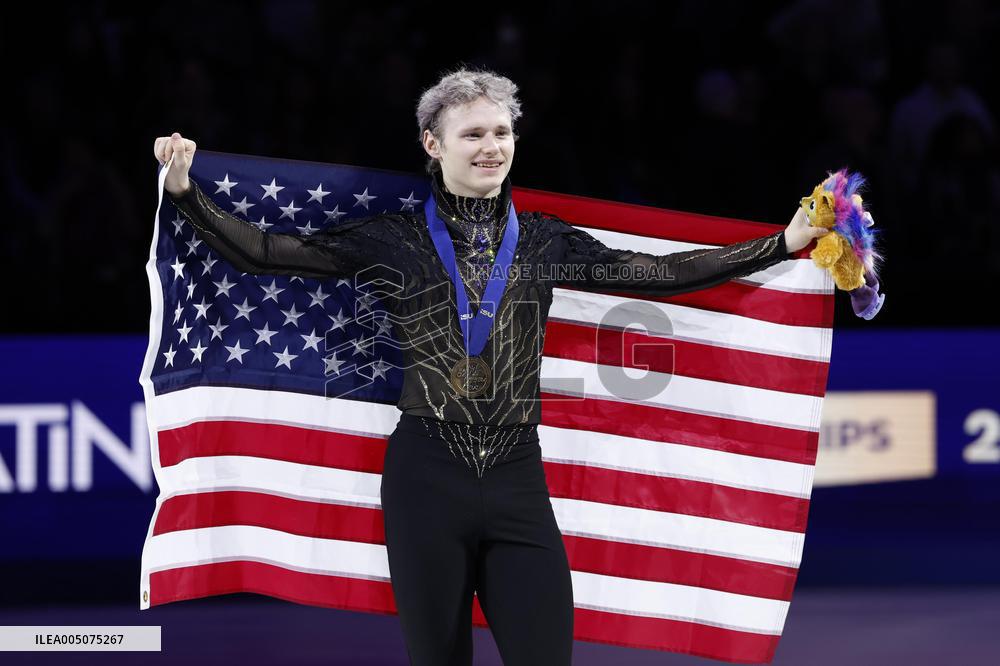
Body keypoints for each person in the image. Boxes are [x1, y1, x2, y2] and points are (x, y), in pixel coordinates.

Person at [152, 67, 827, 666]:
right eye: (473, 133)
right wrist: (185, 193)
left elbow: (663, 273)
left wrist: (784, 241)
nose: (491, 147)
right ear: (432, 145)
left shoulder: (542, 238)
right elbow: (269, 252)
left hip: (516, 484)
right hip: (425, 483)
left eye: (502, 132)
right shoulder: (392, 237)